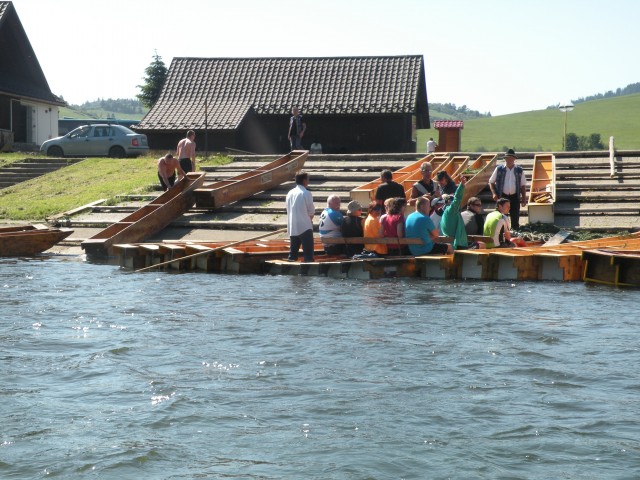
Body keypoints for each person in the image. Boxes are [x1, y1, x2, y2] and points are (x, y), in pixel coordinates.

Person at [440, 177, 484, 250]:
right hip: (457, 246)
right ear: (449, 203)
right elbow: (457, 199)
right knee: (482, 245)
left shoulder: (444, 213)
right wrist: (462, 185)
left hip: (454, 244)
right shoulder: (451, 211)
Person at [488, 148, 528, 230]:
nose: (509, 160)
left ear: (514, 159)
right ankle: (502, 235)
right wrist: (494, 193)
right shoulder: (499, 169)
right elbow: (491, 182)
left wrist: (524, 198)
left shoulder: (519, 170)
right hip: (502, 197)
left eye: (511, 158)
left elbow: (523, 185)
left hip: (514, 197)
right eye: (507, 158)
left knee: (515, 218)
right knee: (502, 218)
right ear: (505, 159)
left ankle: (514, 234)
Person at [286, 171, 315, 262]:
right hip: (304, 226)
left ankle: (289, 269)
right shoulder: (306, 193)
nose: (308, 181)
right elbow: (311, 211)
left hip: (292, 226)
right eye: (308, 179)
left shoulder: (290, 193)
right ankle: (308, 270)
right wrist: (309, 220)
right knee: (308, 254)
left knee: (293, 254)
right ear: (304, 180)